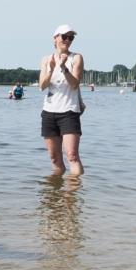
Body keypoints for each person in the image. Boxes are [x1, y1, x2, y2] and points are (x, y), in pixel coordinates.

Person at [39, 24, 84, 175]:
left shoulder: (76, 58)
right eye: (64, 36)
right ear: (55, 38)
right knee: (54, 158)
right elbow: (42, 86)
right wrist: (51, 70)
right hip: (49, 112)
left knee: (72, 155)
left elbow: (74, 84)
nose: (67, 40)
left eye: (71, 38)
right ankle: (56, 188)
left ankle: (74, 189)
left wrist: (64, 68)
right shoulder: (46, 59)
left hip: (69, 111)